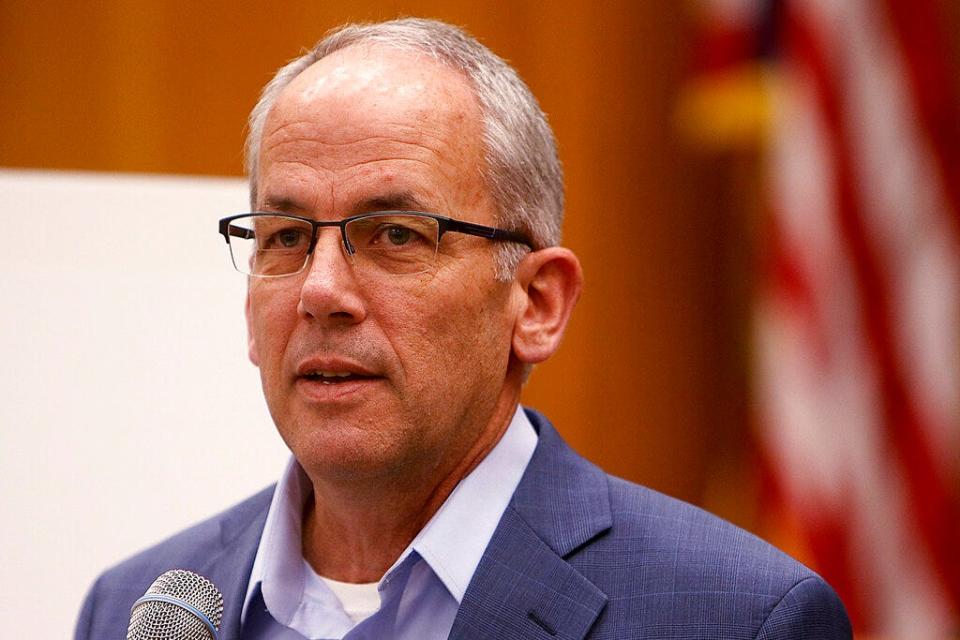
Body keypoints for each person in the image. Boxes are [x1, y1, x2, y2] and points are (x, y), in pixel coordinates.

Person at [75, 17, 851, 640]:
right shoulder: (137, 612)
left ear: (537, 304)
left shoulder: (735, 618)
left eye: (396, 235)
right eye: (284, 237)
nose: (319, 291)